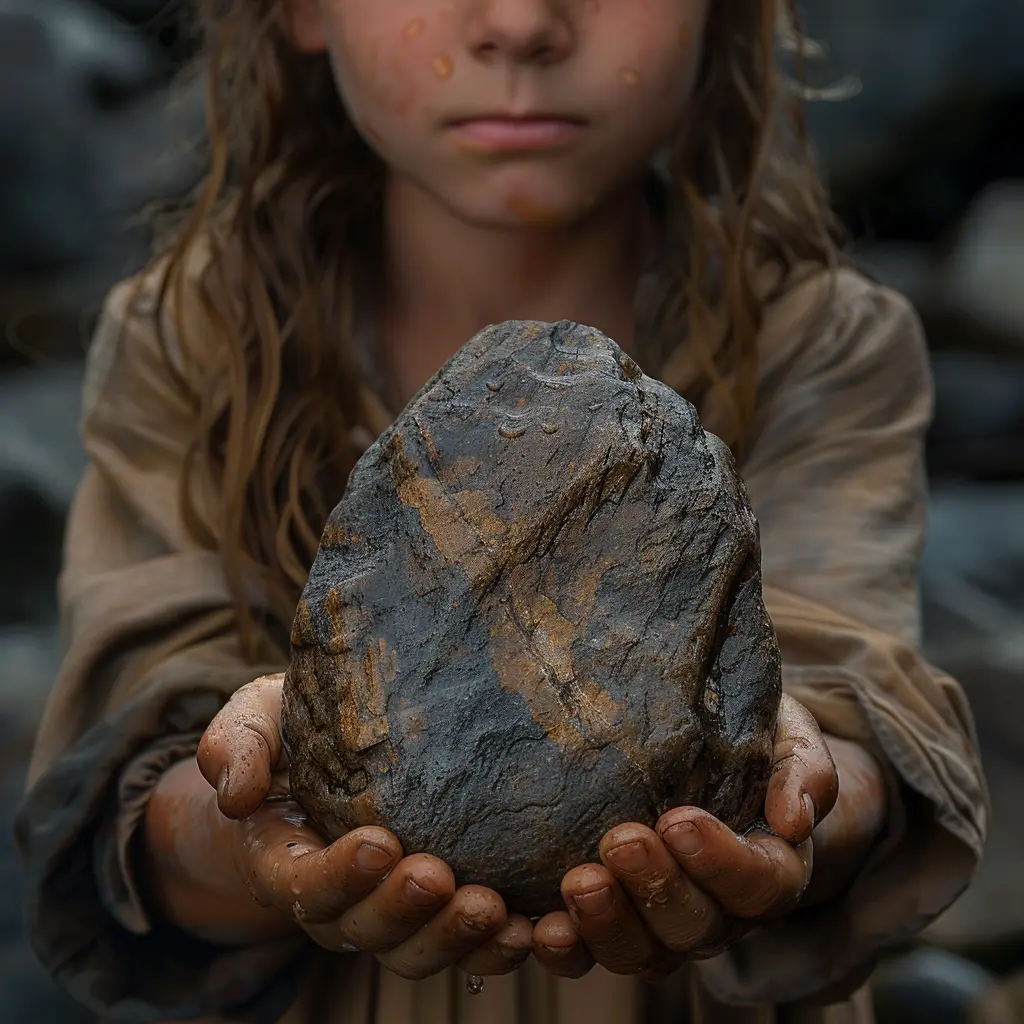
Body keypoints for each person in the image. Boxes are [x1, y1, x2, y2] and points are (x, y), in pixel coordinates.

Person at [14, 1, 988, 1022]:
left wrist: (800, 791)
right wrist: (251, 818)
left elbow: (864, 706)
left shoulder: (822, 342)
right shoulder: (193, 342)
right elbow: (127, 799)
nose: (520, 23)